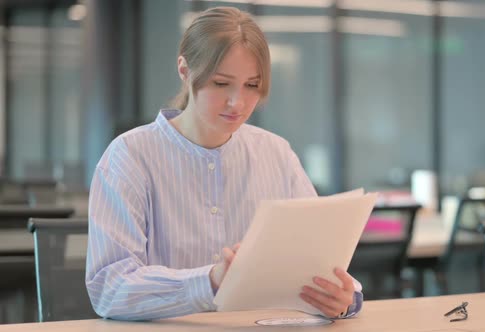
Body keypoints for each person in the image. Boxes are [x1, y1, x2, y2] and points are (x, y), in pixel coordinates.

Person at [85, 6, 363, 321]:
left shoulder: (276, 153)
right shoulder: (129, 156)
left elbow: (320, 261)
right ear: (184, 71)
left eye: (252, 85)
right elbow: (109, 288)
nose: (238, 102)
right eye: (221, 83)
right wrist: (211, 281)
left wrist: (344, 299)